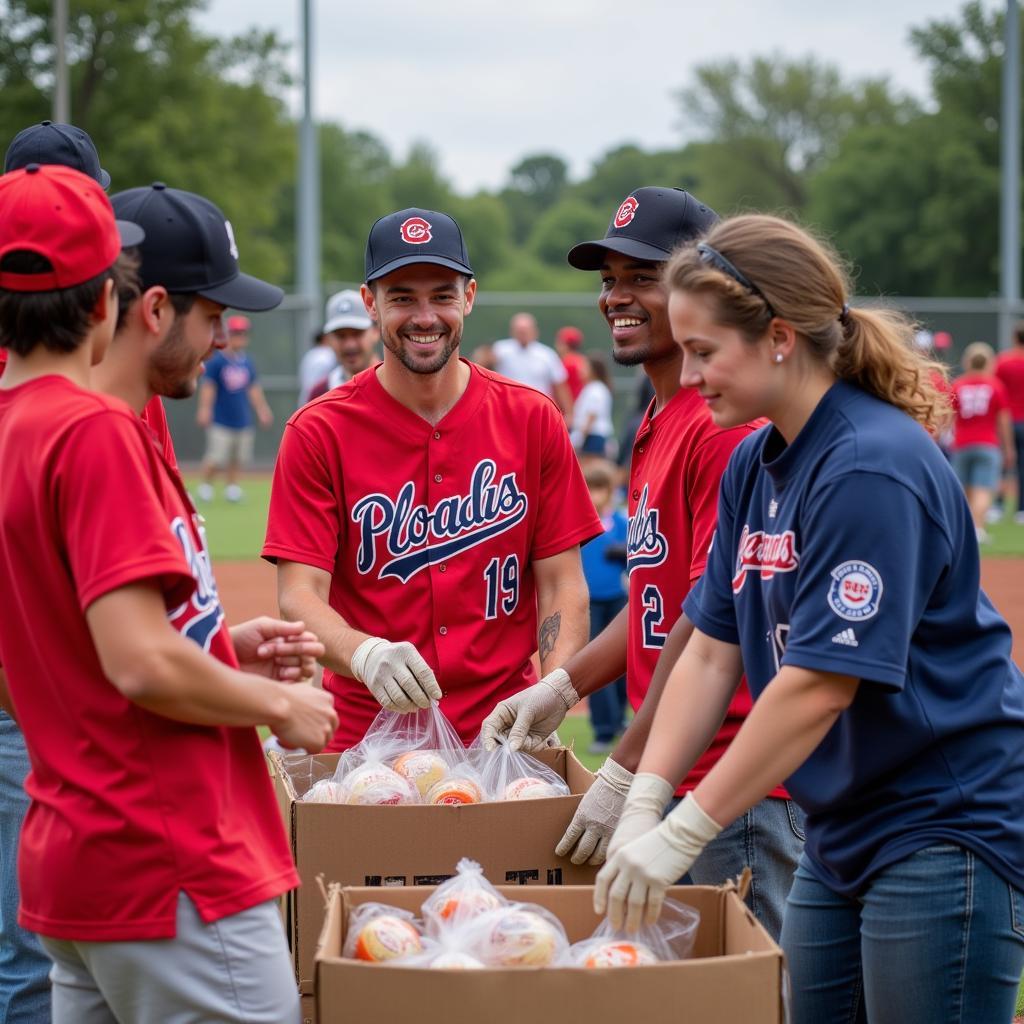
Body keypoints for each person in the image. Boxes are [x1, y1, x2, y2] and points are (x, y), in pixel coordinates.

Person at [593, 214, 1024, 1023]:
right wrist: (646, 792)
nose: (689, 377)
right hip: (844, 819)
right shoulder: (758, 462)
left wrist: (683, 830)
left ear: (780, 338)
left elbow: (819, 686)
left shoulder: (870, 464)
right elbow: (712, 651)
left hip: (941, 821)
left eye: (704, 351)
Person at [0, 166, 339, 1024]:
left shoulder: (18, 425)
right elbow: (141, 665)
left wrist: (220, 652)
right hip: (169, 853)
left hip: (76, 851)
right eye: (214, 315)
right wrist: (275, 704)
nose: (225, 337)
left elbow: (52, 657)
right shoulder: (94, 432)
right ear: (131, 307)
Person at [481, 187, 802, 941]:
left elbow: (709, 621)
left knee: (755, 996)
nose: (617, 297)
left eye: (641, 277)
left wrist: (625, 769)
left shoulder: (721, 427)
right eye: (608, 279)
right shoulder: (660, 417)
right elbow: (659, 596)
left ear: (699, 291)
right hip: (679, 764)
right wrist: (565, 685)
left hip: (733, 780)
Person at [263, 207, 600, 751]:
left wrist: (555, 690)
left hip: (504, 732)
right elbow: (299, 596)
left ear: (469, 297)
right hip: (363, 742)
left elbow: (562, 581)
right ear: (370, 302)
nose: (425, 315)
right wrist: (364, 653)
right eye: (402, 297)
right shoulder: (318, 430)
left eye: (442, 294)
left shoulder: (532, 417)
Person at [0, 117, 174, 1024]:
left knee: (33, 950)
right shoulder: (77, 403)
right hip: (53, 699)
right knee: (31, 957)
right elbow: (140, 656)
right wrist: (266, 699)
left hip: (40, 691)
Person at [196, 313, 274, 503]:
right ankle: (206, 485)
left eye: (243, 333)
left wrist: (262, 410)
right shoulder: (217, 360)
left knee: (239, 458)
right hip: (221, 418)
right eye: (236, 333)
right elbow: (209, 387)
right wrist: (204, 409)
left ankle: (232, 487)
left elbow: (253, 388)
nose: (240, 337)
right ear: (227, 334)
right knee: (216, 457)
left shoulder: (247, 362)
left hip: (242, 418)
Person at [579, 460, 629, 755]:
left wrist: (625, 550)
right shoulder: (579, 521)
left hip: (618, 598)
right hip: (590, 602)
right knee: (597, 664)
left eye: (601, 488)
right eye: (591, 488)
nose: (596, 496)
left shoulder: (621, 523)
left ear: (610, 491)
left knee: (623, 664)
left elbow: (639, 551)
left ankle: (621, 718)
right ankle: (603, 729)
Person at [950, 341, 1013, 544]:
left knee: (965, 489)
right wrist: (1008, 448)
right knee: (983, 488)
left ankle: (965, 530)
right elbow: (1003, 420)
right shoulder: (995, 385)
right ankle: (978, 528)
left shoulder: (958, 384)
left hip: (961, 444)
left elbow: (949, 415)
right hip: (988, 443)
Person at [492, 312, 573, 419]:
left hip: (538, 410)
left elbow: (560, 385)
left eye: (525, 330)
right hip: (507, 410)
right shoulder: (499, 350)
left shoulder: (547, 355)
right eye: (519, 331)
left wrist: (569, 414)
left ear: (534, 331)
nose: (522, 334)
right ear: (512, 331)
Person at [306, 289, 378, 400]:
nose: (350, 345)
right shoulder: (320, 393)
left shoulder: (397, 387)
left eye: (357, 334)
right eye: (340, 336)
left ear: (376, 332)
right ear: (328, 339)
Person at [994, 322, 1024, 522]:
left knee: (1001, 463)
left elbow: (994, 390)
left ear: (1014, 338)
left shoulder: (1002, 361)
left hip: (1005, 420)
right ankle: (1021, 510)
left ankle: (996, 506)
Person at [570, 352, 615, 458]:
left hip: (593, 437)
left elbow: (591, 417)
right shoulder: (591, 388)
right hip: (590, 437)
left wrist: (577, 440)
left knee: (590, 471)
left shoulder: (596, 389)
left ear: (594, 370)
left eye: (584, 367)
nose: (580, 369)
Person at [297, 327, 336, 405]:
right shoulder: (328, 354)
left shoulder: (309, 355)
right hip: (320, 399)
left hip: (306, 399)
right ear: (324, 338)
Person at [555, 325, 587, 401]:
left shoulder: (564, 363)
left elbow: (559, 390)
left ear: (564, 344)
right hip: (582, 404)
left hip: (567, 408)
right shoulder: (584, 361)